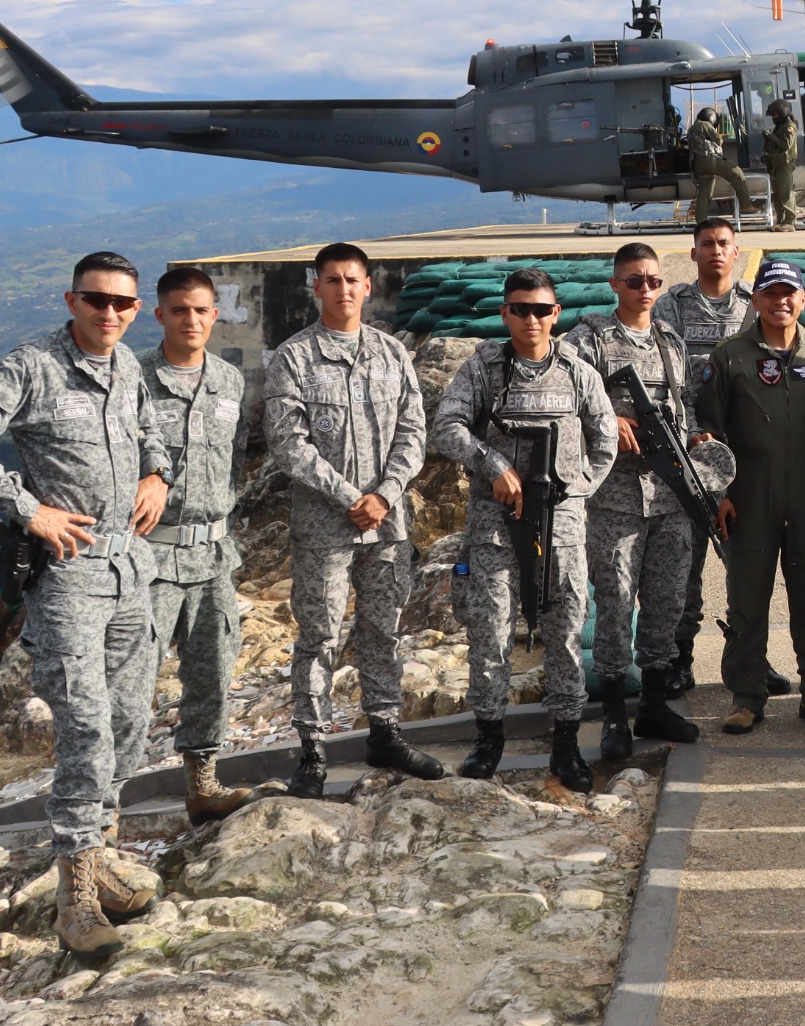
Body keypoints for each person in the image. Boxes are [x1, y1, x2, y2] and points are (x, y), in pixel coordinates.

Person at [0, 250, 171, 954]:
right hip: (69, 577)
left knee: (131, 720)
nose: (110, 314)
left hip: (131, 567)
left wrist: (159, 472)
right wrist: (27, 506)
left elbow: (146, 425)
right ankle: (76, 898)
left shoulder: (127, 365)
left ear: (136, 308)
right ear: (71, 301)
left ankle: (102, 858)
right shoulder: (33, 366)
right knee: (87, 727)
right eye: (96, 300)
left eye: (124, 303)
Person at [432, 267, 621, 787]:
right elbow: (446, 427)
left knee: (562, 634)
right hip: (494, 526)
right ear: (505, 313)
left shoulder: (578, 372)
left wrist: (575, 491)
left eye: (541, 309)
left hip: (560, 526)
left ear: (556, 314)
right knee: (490, 632)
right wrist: (492, 464)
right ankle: (488, 739)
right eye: (521, 309)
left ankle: (565, 743)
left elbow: (604, 441)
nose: (531, 319)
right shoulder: (484, 369)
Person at [266, 243, 442, 797]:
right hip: (326, 528)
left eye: (353, 280)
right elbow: (288, 445)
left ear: (369, 287)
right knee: (319, 636)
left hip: (387, 526)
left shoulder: (392, 354)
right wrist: (350, 496)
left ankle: (385, 731)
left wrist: (386, 494)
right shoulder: (293, 359)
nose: (344, 289)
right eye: (333, 280)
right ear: (315, 287)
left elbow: (415, 432)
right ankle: (313, 751)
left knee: (382, 629)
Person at [566, 243, 716, 760]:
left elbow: (685, 411)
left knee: (667, 602)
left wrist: (695, 440)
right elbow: (566, 401)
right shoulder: (588, 341)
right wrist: (611, 421)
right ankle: (613, 713)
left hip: (670, 496)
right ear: (614, 284)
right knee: (614, 604)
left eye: (653, 281)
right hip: (616, 499)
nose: (646, 290)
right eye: (634, 281)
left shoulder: (671, 342)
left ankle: (654, 701)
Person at [703, 259, 805, 733]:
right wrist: (718, 493)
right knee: (747, 599)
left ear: (803, 300)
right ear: (756, 300)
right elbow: (707, 432)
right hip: (749, 495)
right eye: (770, 293)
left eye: (790, 293)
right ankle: (747, 697)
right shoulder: (730, 357)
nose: (780, 301)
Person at [141, 267, 265, 824]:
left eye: (201, 311)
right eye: (179, 310)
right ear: (159, 313)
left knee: (213, 672)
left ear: (215, 315)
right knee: (132, 682)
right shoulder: (133, 379)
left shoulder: (228, 380)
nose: (191, 320)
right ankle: (103, 820)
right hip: (150, 557)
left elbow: (234, 460)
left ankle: (202, 785)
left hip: (213, 554)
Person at [654, 215, 764, 693]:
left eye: (724, 243)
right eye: (706, 244)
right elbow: (668, 381)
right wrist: (696, 434)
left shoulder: (754, 306)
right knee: (686, 563)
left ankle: (751, 657)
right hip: (690, 453)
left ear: (736, 252)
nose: (716, 250)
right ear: (693, 253)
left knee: (750, 564)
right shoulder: (672, 306)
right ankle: (681, 658)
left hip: (747, 455)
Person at [689, 107, 752, 222]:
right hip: (708, 160)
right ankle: (746, 205)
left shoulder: (692, 128)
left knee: (705, 194)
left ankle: (701, 222)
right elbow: (718, 140)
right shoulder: (705, 125)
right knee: (736, 172)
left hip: (698, 165)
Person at [763, 98, 801, 227]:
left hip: (784, 165)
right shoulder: (779, 127)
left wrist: (770, 137)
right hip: (775, 164)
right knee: (777, 195)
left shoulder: (790, 127)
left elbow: (786, 145)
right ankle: (781, 220)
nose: (774, 117)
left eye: (775, 115)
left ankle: (790, 221)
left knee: (785, 193)